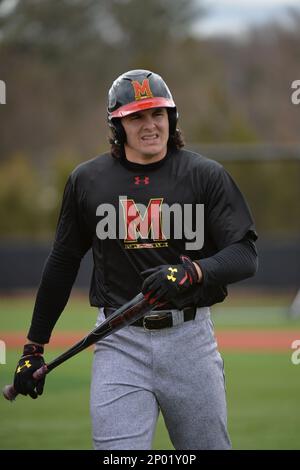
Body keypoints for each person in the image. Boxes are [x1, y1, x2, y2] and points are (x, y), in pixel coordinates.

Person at [13, 69, 258, 450]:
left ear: (171, 118)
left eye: (157, 114)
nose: (150, 125)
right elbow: (62, 263)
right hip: (118, 342)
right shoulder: (87, 181)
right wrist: (33, 347)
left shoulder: (206, 175)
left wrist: (193, 272)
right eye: (136, 116)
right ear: (117, 124)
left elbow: (245, 255)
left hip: (189, 341)